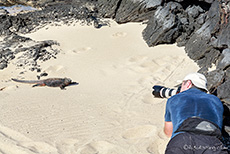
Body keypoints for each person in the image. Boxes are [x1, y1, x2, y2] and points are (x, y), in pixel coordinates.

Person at [164, 72, 228, 154]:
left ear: (188, 83)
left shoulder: (174, 99)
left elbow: (168, 132)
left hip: (182, 141)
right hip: (212, 143)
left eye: (181, 85)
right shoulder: (216, 101)